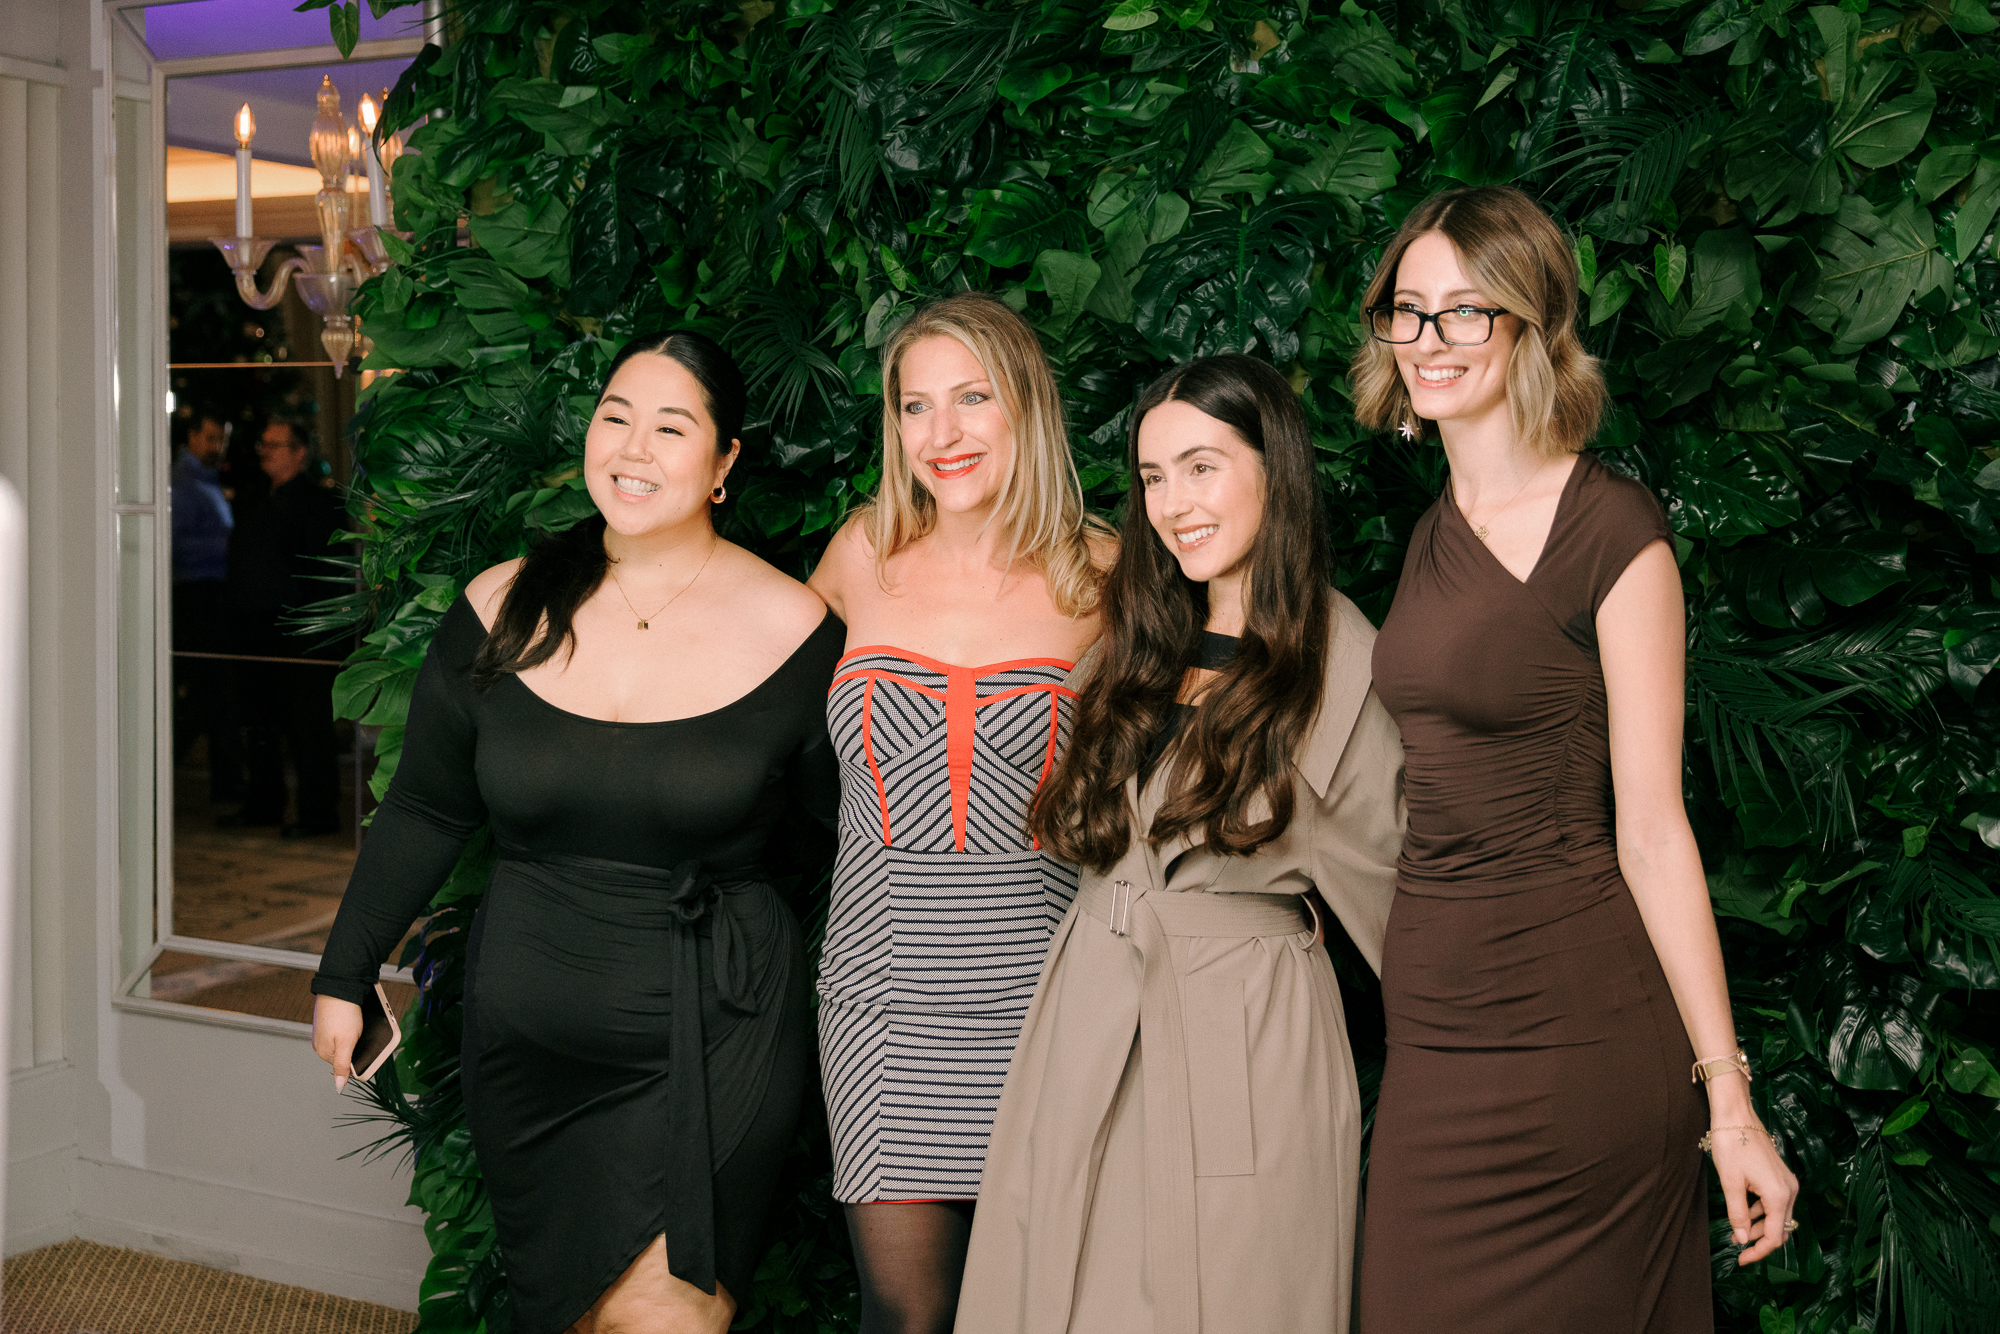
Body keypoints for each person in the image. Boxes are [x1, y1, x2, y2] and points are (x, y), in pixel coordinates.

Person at [310, 332, 842, 1334]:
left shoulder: (796, 628)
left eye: (671, 427)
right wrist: (344, 971)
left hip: (713, 1029)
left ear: (724, 461)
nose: (633, 447)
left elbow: (853, 830)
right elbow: (426, 807)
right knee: (569, 1312)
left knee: (671, 1313)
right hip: (529, 1039)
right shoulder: (500, 605)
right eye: (615, 416)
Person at [1351, 186, 1798, 1332]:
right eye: (1407, 309)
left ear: (1532, 323)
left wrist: (1729, 1102)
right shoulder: (1430, 534)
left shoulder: (1610, 532)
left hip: (1574, 1037)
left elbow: (1649, 827)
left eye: (1463, 310)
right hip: (1434, 1039)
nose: (1427, 338)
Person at [955, 354, 1406, 1334]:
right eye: (1154, 476)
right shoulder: (1134, 641)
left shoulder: (1340, 661)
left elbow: (1409, 916)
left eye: (1201, 467)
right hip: (1084, 1014)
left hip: (1242, 1037)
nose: (1172, 503)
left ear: (1274, 469)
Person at [808, 293, 1111, 1334]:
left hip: (1048, 994)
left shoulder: (1107, 573)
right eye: (915, 405)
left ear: (1027, 405)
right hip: (880, 992)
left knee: (1050, 1310)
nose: (942, 432)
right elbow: (748, 715)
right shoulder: (861, 553)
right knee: (903, 1314)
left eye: (972, 397)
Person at [226, 419, 346, 835]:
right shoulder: (256, 498)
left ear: (300, 452)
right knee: (259, 721)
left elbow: (328, 573)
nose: (265, 452)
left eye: (274, 445)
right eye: (263, 444)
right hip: (255, 628)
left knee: (307, 727)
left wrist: (314, 626)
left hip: (300, 632)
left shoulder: (320, 504)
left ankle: (318, 813)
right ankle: (264, 803)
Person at [170, 411, 241, 800]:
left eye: (222, 439)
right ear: (192, 437)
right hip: (195, 596)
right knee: (206, 694)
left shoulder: (208, 481)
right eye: (211, 437)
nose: (218, 447)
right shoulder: (182, 483)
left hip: (213, 596)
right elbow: (173, 543)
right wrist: (227, 546)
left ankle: (225, 785)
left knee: (214, 694)